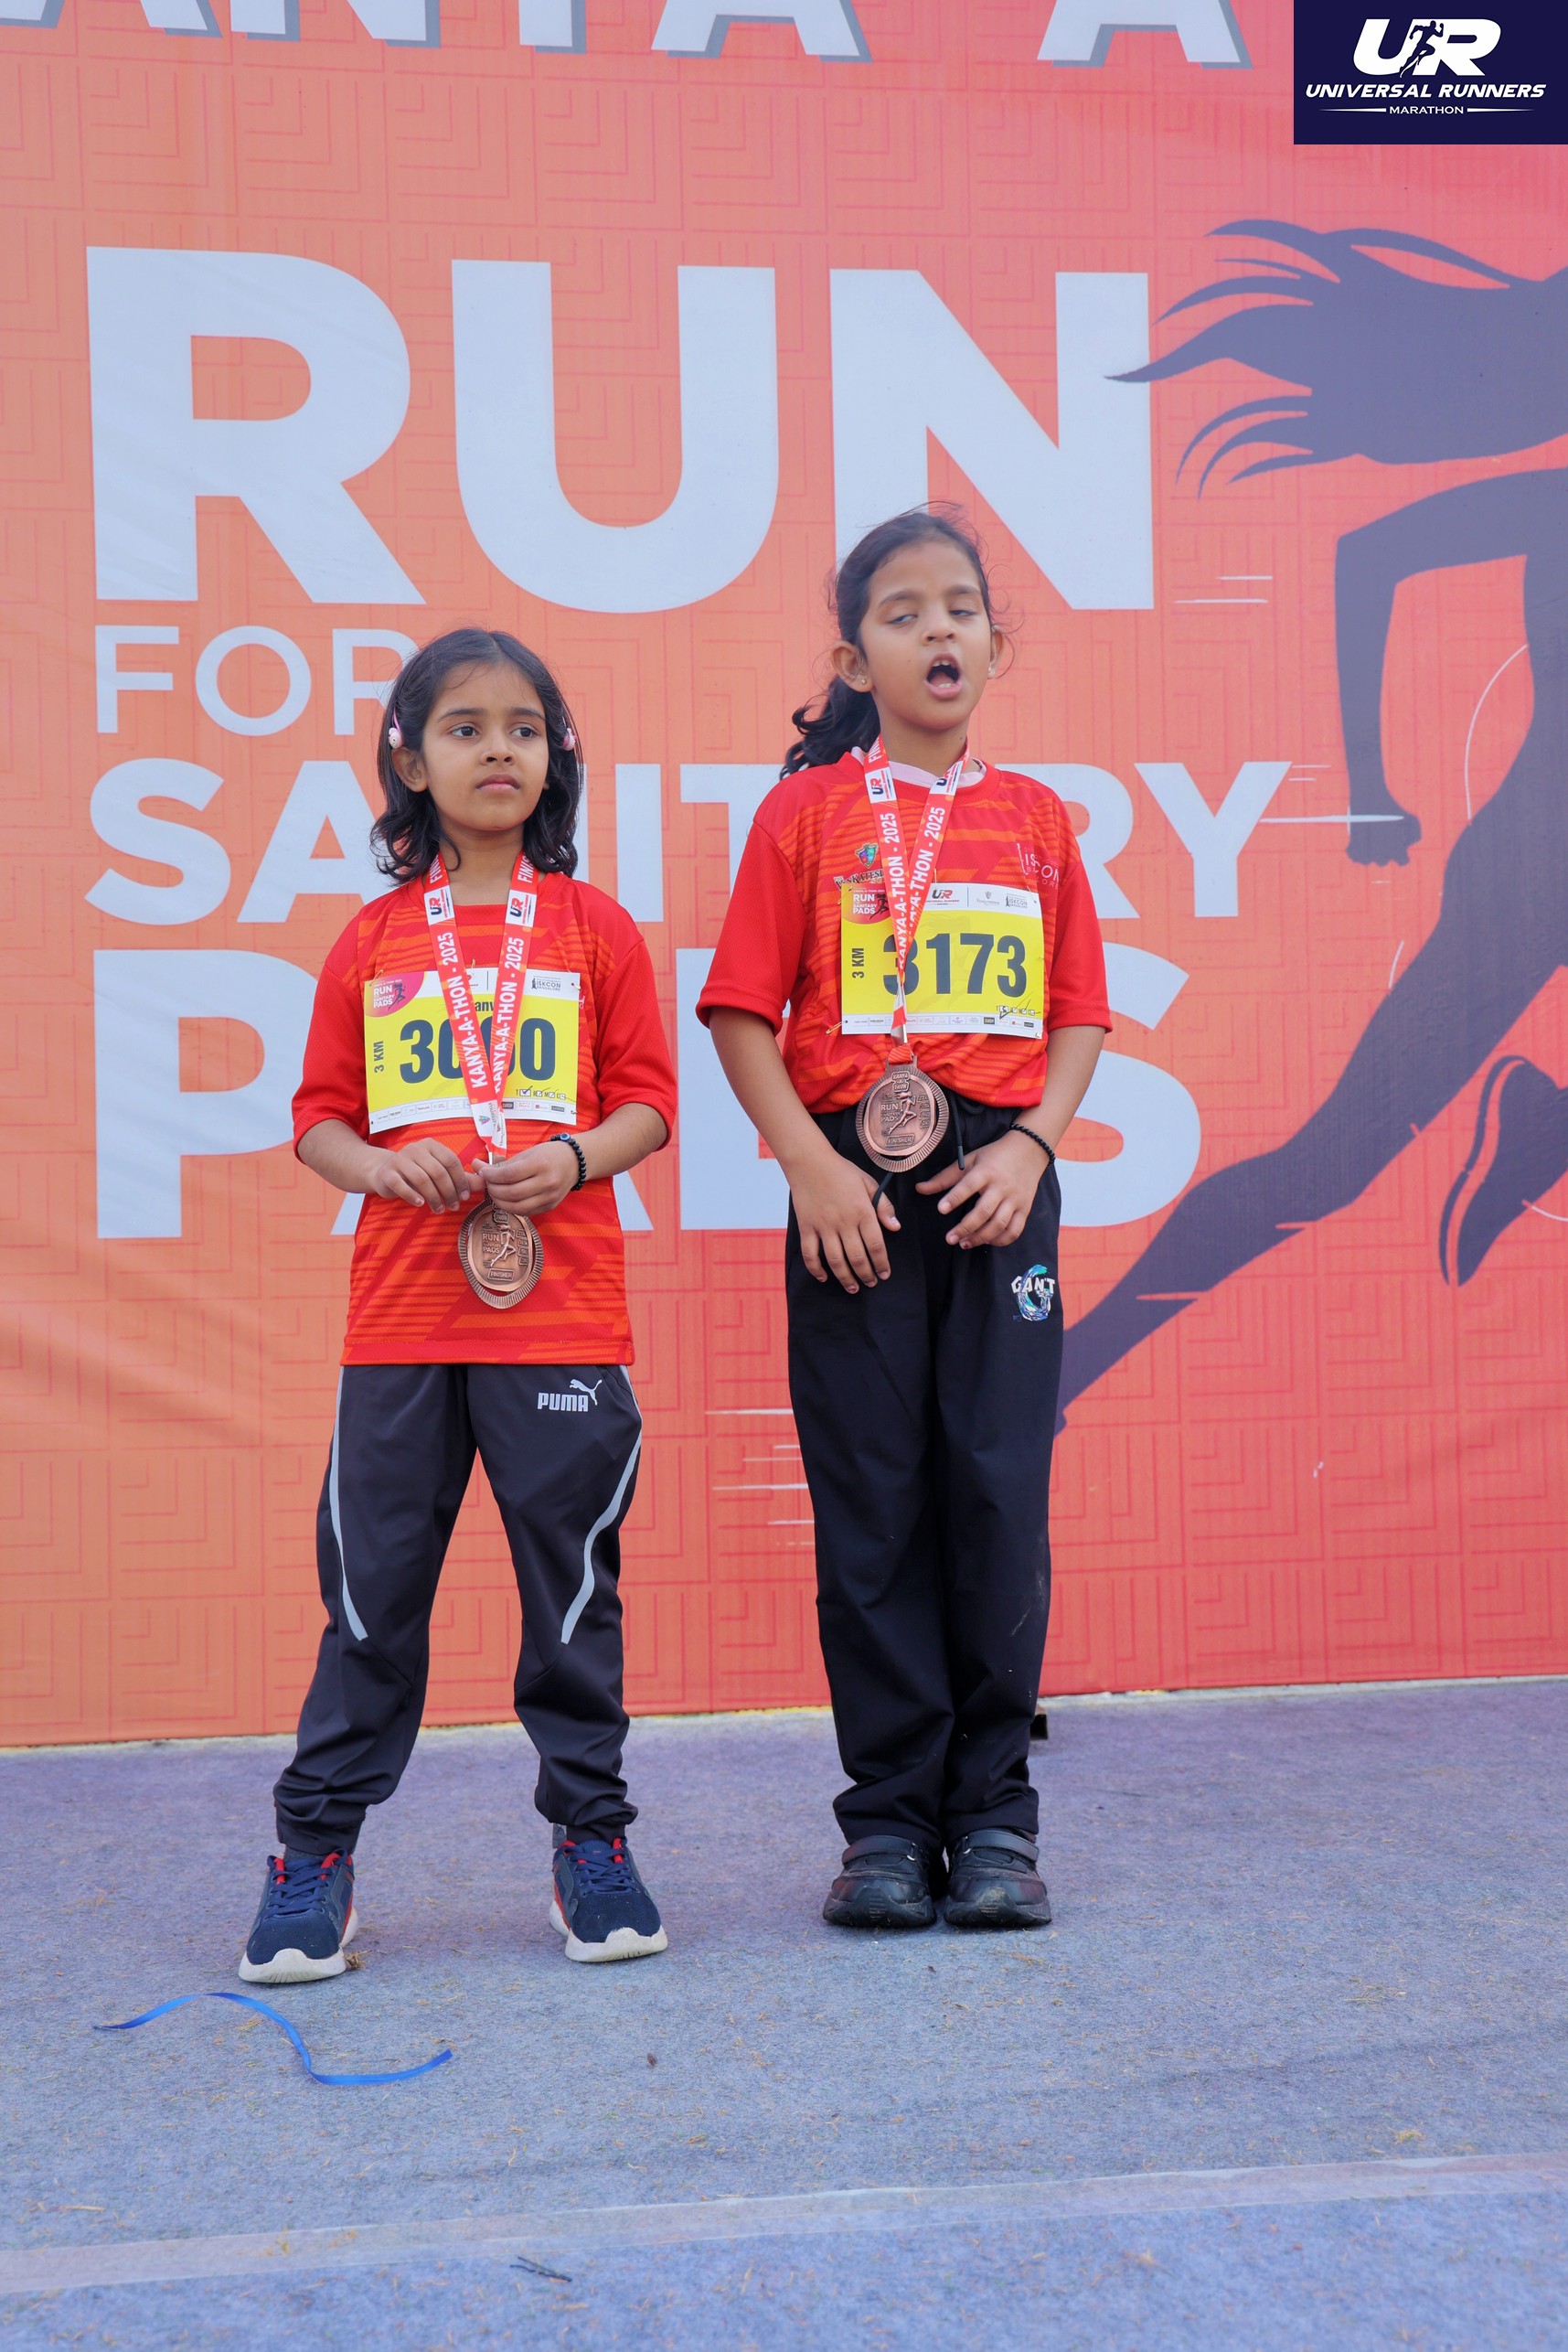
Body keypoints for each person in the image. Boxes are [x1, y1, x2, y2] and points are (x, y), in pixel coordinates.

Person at [239, 626, 677, 1984]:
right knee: (372, 1601)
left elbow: (649, 1103)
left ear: (556, 760)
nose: (499, 750)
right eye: (466, 727)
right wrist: (380, 1166)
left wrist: (576, 1158)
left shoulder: (596, 929)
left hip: (564, 1324)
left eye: (524, 729)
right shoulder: (370, 940)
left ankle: (592, 1840)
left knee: (572, 1600)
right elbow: (318, 1121)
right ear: (410, 762)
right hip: (403, 1326)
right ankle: (313, 1856)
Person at [699, 510, 1110, 1932]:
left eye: (961, 609)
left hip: (998, 1184)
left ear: (997, 645)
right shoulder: (803, 817)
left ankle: (994, 1820)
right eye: (902, 611)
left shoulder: (1040, 820)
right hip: (850, 1197)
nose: (939, 629)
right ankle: (885, 1827)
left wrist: (1033, 1150)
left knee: (996, 1495)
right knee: (872, 1503)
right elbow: (742, 1013)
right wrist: (810, 1171)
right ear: (852, 657)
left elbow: (1077, 1017)